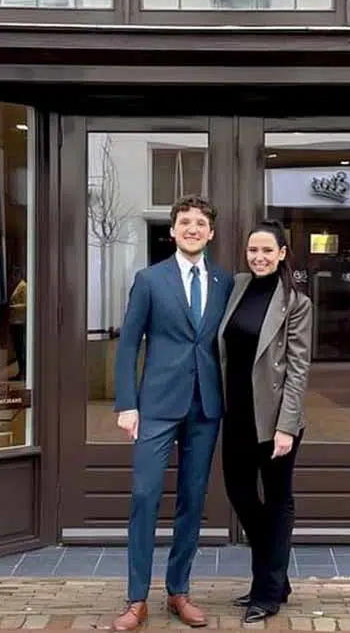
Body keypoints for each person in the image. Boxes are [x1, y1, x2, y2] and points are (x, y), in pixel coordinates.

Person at [112, 195, 234, 632]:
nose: (193, 229)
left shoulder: (224, 282)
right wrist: (127, 403)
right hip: (156, 406)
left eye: (201, 223)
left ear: (211, 232)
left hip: (205, 407)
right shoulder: (149, 279)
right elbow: (128, 344)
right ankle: (135, 598)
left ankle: (179, 590)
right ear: (173, 230)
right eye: (185, 222)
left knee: (192, 500)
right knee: (145, 496)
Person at [217, 219, 313, 624]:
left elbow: (297, 368)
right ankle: (276, 574)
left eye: (267, 251)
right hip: (235, 413)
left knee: (278, 503)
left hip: (274, 420)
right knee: (239, 493)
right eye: (253, 250)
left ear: (282, 254)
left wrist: (286, 427)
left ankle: (268, 591)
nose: (259, 257)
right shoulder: (236, 287)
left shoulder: (296, 303)